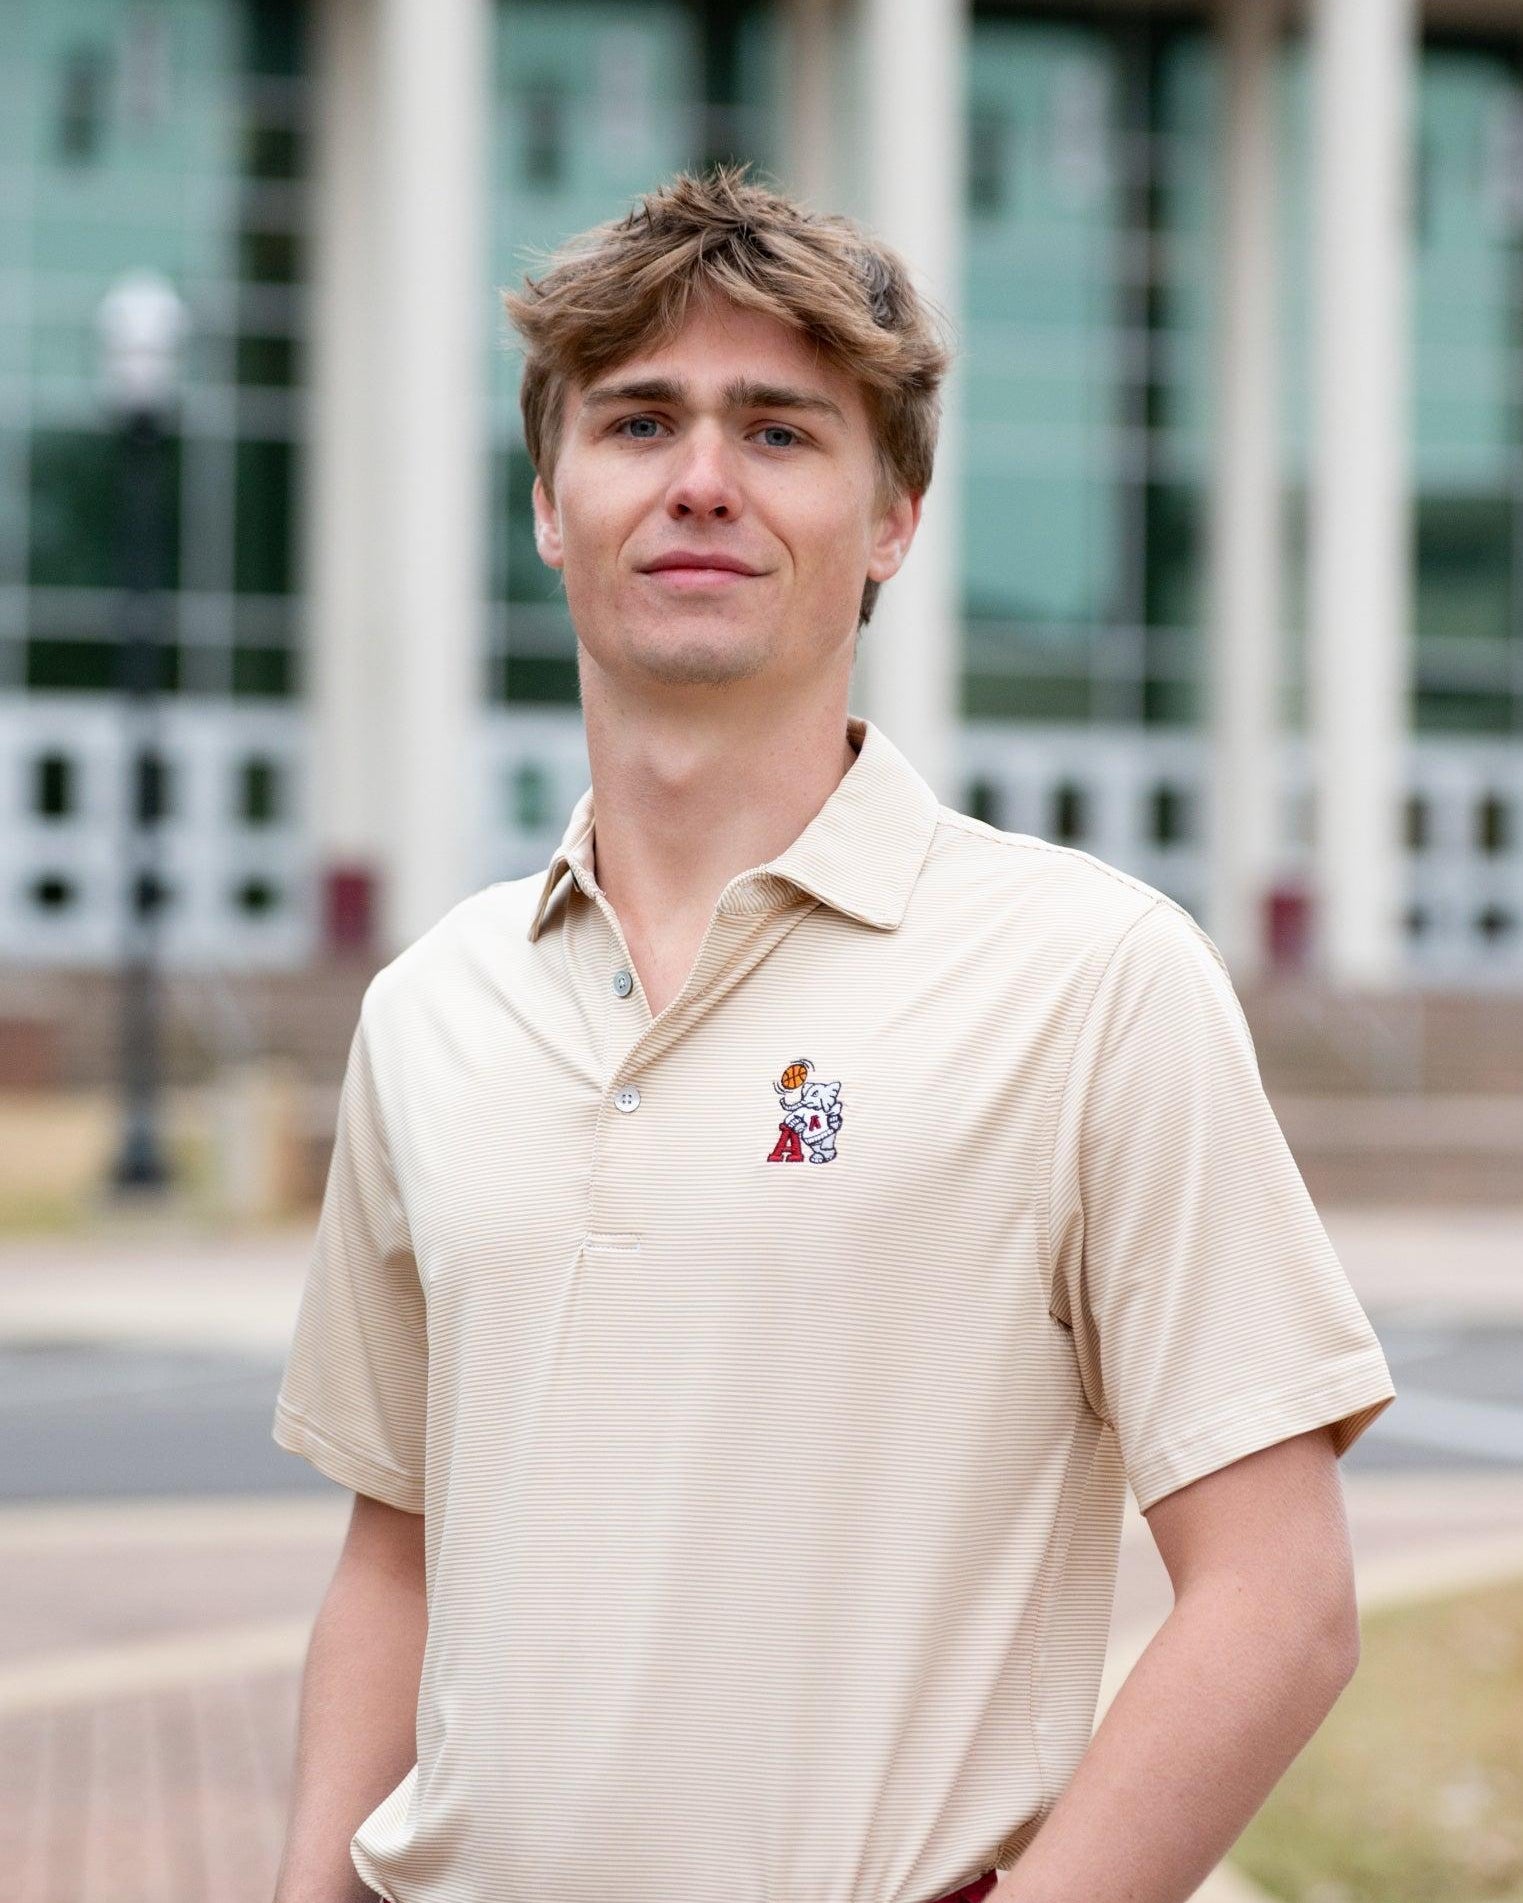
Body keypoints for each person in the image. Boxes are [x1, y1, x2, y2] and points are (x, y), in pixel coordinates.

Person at [270, 163, 1397, 1903]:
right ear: (553, 503)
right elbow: (398, 1560)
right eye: (639, 422)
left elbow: (1280, 1597)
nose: (702, 483)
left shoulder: (1093, 979)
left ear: (893, 517)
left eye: (780, 433)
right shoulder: (431, 1011)